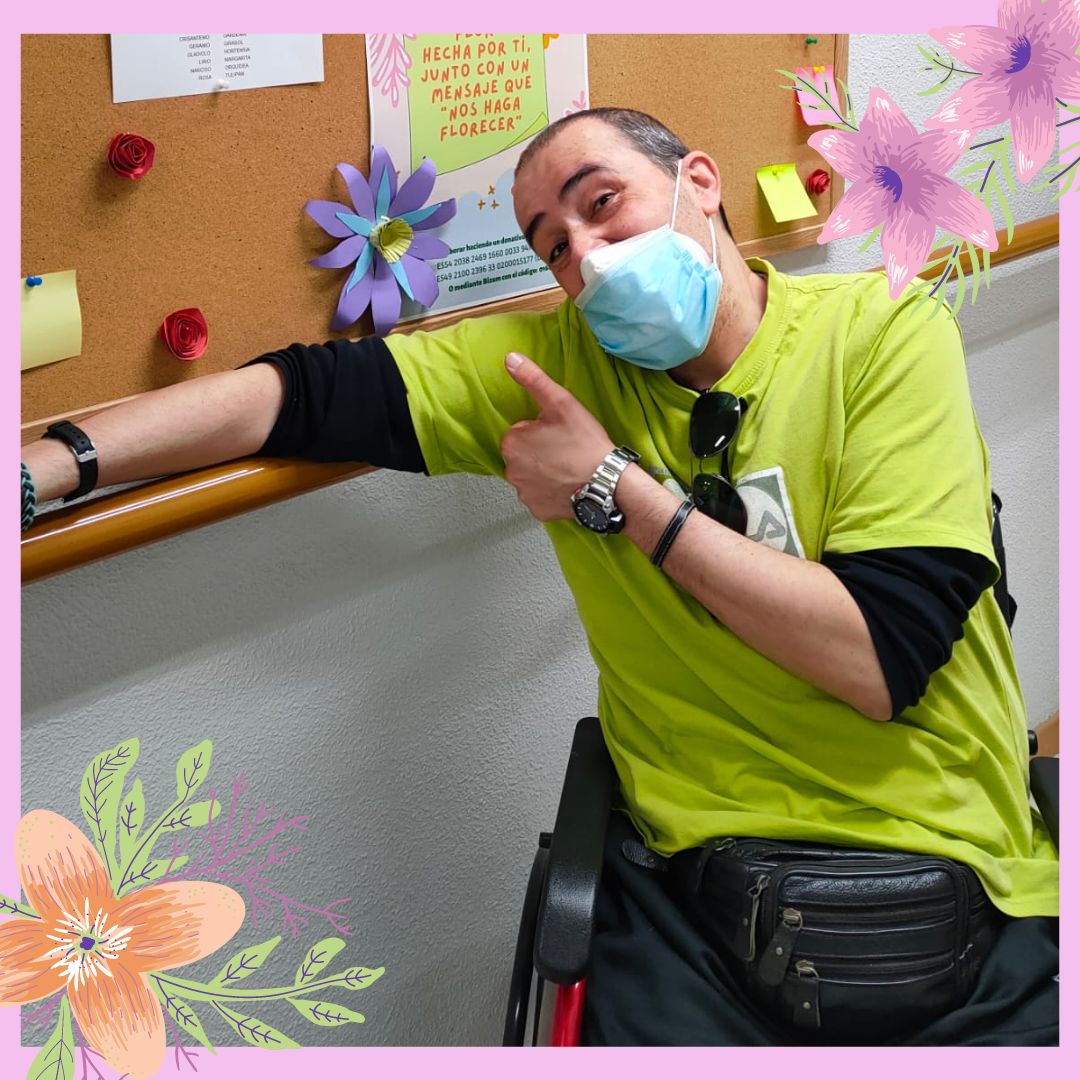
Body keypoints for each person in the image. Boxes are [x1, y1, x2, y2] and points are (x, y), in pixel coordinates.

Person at [20, 108, 1058, 1045]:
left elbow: (880, 660)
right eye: (554, 246)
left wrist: (615, 488)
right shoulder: (550, 369)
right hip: (699, 884)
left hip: (949, 859)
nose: (589, 258)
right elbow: (297, 394)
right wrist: (51, 464)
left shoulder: (882, 334)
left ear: (699, 182)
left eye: (603, 205)